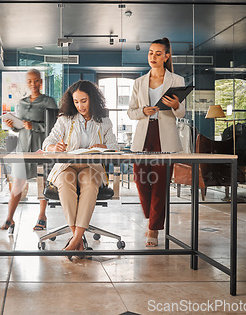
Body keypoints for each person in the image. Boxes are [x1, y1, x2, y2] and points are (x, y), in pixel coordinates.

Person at [42, 80, 117, 256]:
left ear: (92, 99)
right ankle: (78, 239)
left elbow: (115, 147)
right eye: (76, 102)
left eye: (84, 100)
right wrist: (55, 148)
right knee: (66, 183)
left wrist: (104, 147)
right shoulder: (65, 119)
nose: (80, 106)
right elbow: (47, 143)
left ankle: (75, 240)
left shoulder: (104, 121)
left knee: (90, 185)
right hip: (67, 165)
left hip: (91, 166)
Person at [127, 37, 186, 247]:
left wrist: (177, 105)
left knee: (160, 185)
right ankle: (151, 217)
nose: (153, 56)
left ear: (166, 56)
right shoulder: (138, 82)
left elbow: (181, 113)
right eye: (151, 52)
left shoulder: (177, 80)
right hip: (143, 135)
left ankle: (153, 228)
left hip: (165, 136)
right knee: (141, 181)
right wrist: (143, 111)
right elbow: (130, 112)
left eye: (158, 53)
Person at [0, 69, 57, 233]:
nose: (33, 84)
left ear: (41, 82)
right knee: (17, 182)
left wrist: (35, 126)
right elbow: (21, 128)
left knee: (42, 182)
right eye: (30, 81)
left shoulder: (49, 102)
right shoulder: (22, 103)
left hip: (41, 147)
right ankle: (9, 218)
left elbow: (54, 128)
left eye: (36, 80)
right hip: (23, 147)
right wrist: (14, 126)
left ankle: (42, 216)